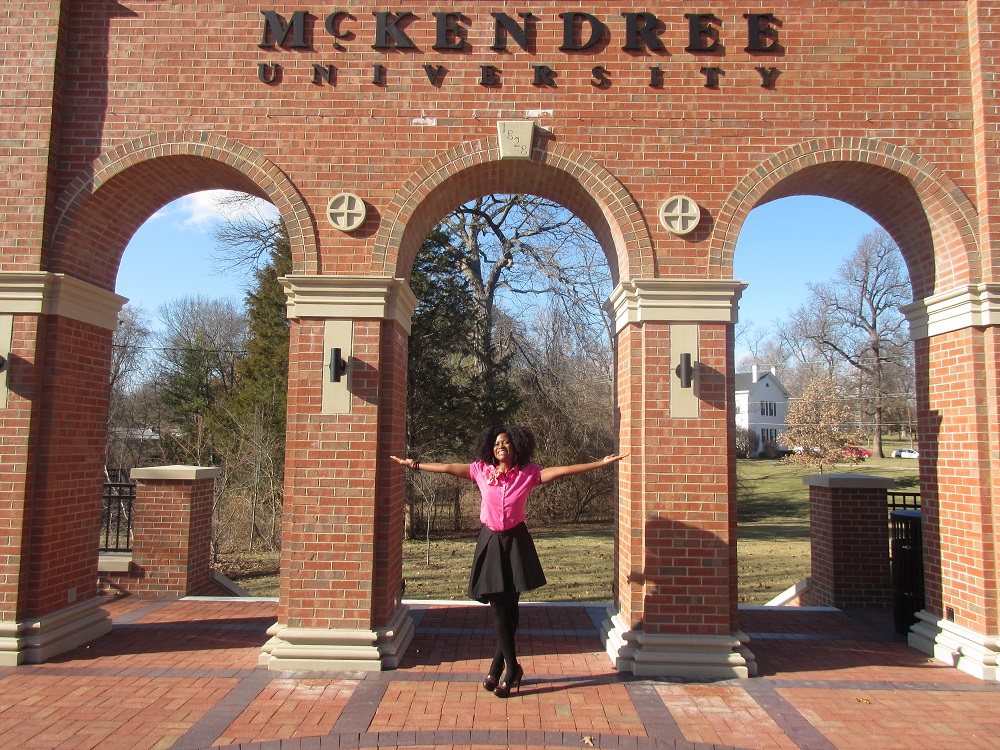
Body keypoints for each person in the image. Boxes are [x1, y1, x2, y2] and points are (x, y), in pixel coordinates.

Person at [391, 425, 626, 698]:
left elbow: (563, 470)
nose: (500, 446)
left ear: (516, 447)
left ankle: (497, 667)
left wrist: (600, 463)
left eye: (505, 443)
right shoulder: (481, 471)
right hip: (491, 542)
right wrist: (415, 465)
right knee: (499, 606)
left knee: (510, 607)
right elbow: (447, 467)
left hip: (516, 542)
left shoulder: (528, 474)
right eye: (496, 443)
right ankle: (511, 667)